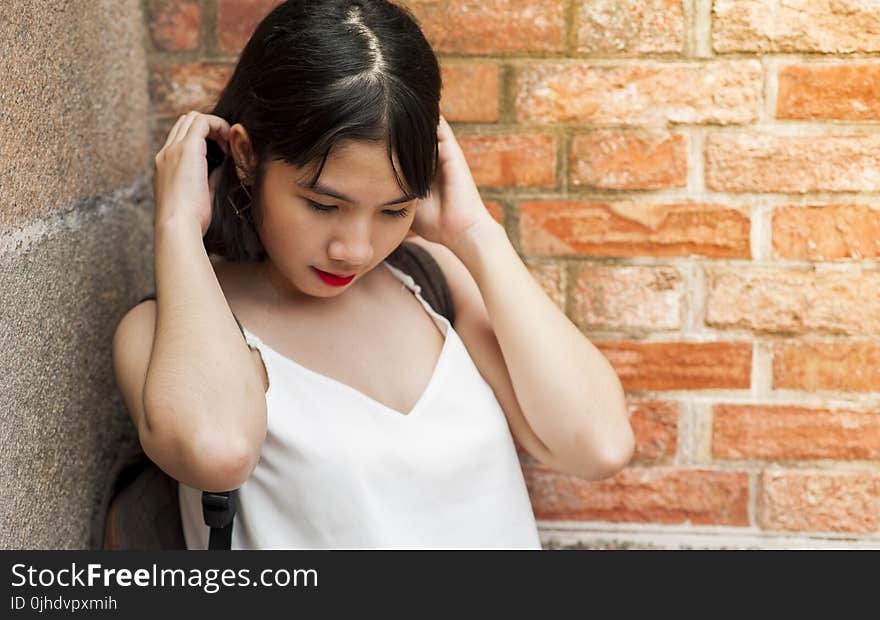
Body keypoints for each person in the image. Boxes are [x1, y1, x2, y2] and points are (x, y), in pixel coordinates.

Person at [111, 0, 634, 550]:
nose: (355, 250)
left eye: (392, 210)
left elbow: (597, 446)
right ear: (245, 156)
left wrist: (475, 232)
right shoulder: (160, 333)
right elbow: (214, 450)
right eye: (322, 204)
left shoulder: (435, 282)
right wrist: (176, 226)